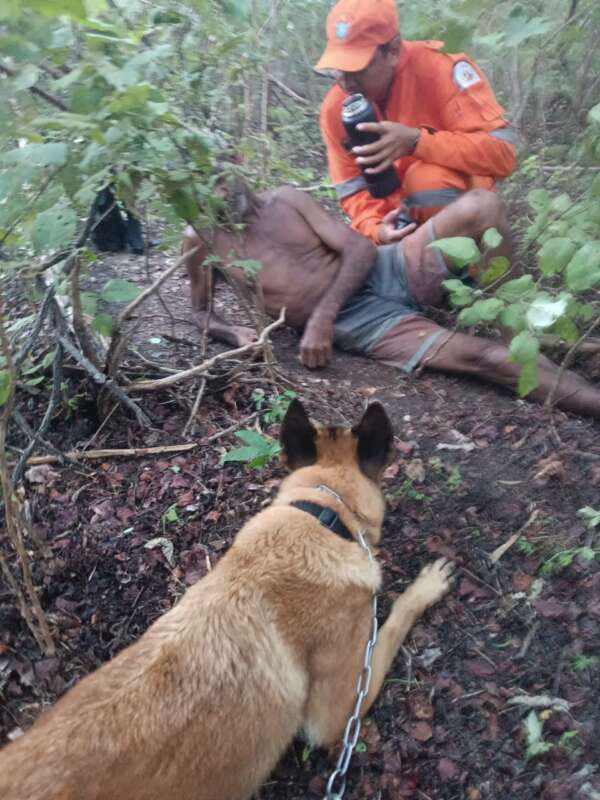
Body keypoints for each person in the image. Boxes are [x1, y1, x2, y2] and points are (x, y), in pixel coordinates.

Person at [180, 181, 600, 419]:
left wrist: (320, 318)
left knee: (481, 205)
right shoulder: (200, 241)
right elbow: (200, 313)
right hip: (360, 321)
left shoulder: (285, 200)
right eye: (204, 181)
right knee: (488, 360)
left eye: (220, 173)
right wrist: (233, 333)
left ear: (234, 163)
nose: (217, 186)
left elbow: (359, 250)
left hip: (384, 267)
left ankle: (516, 331)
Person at [315, 0, 517, 244]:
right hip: (395, 224)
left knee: (427, 180)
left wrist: (416, 141)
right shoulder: (336, 108)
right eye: (338, 69)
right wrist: (376, 229)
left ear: (393, 50)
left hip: (460, 213)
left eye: (357, 68)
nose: (346, 82)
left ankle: (470, 271)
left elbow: (503, 155)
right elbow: (351, 188)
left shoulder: (440, 68)